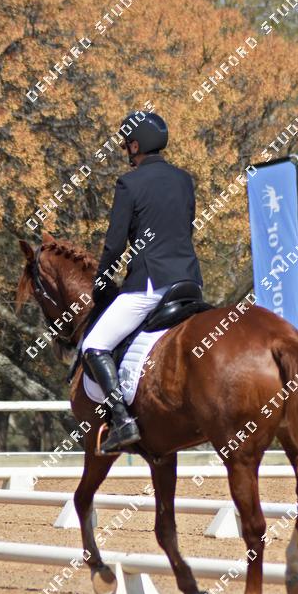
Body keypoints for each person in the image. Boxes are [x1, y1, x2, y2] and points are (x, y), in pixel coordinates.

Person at [81, 111, 203, 453]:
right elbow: (185, 228)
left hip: (151, 285)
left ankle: (122, 420)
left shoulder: (129, 184)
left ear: (135, 146)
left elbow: (114, 244)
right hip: (190, 283)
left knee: (94, 345)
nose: (126, 152)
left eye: (126, 146)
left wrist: (102, 278)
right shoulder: (184, 180)